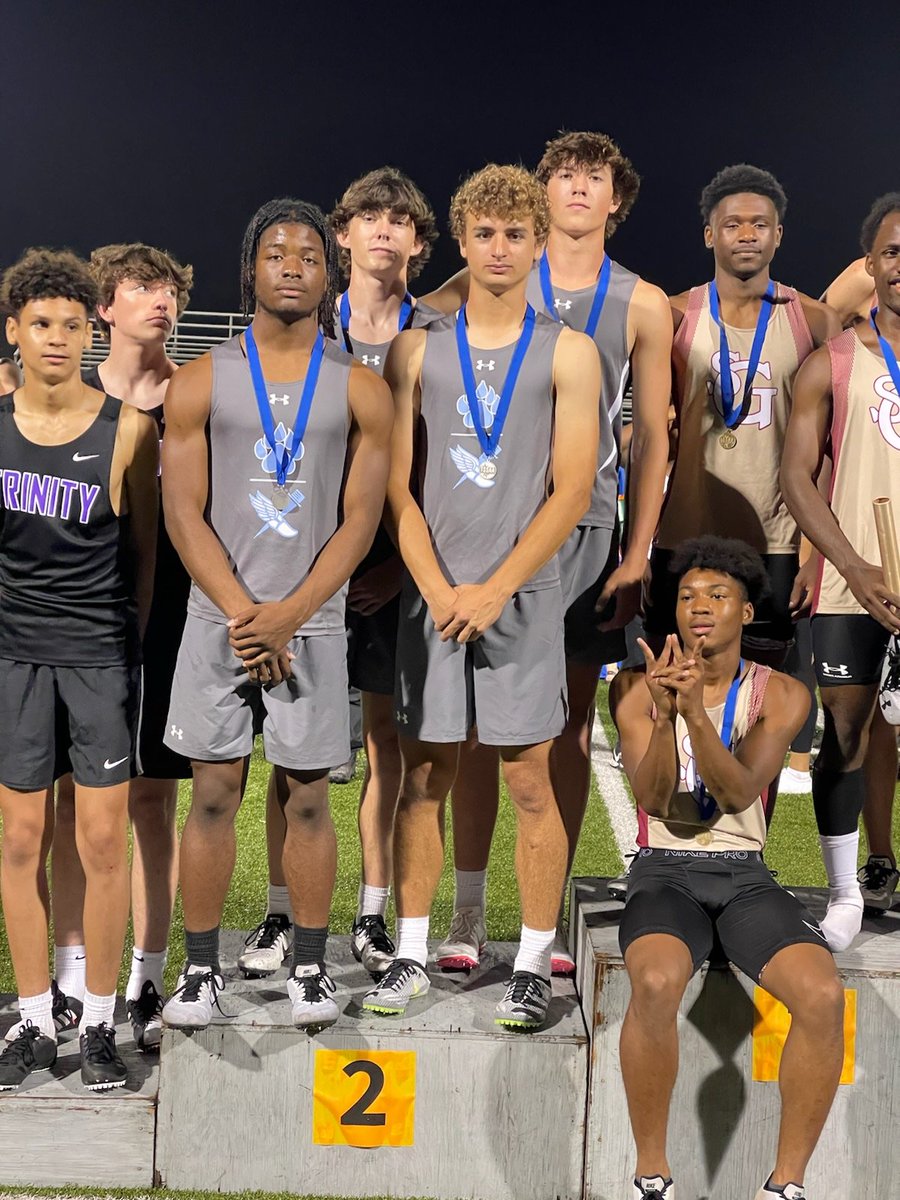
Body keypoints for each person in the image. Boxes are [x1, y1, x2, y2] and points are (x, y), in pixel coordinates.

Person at [427, 131, 673, 974]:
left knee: (562, 726)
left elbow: (653, 437)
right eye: (562, 174)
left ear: (616, 197)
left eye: (593, 176)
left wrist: (638, 549)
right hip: (485, 526)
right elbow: (412, 325)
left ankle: (548, 913)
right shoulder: (492, 269)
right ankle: (467, 913)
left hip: (585, 530)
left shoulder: (642, 301)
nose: (575, 188)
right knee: (472, 727)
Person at [363, 164, 600, 1029]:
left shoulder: (569, 351)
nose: (500, 248)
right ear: (461, 242)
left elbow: (573, 491)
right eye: (486, 234)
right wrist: (436, 588)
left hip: (521, 596)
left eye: (516, 234)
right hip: (434, 595)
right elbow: (395, 488)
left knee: (531, 777)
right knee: (423, 775)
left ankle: (531, 962)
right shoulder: (416, 349)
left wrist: (497, 589)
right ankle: (411, 953)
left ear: (539, 244)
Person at [159, 198, 392, 1033]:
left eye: (308, 255)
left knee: (307, 801)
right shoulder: (200, 377)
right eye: (275, 253)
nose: (292, 265)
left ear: (329, 275)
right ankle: (199, 973)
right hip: (217, 618)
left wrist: (289, 614)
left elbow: (359, 521)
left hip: (313, 624)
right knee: (213, 794)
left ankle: (310, 969)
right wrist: (244, 615)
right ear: (250, 270)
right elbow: (182, 511)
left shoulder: (361, 386)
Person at [241, 169, 439, 981]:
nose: (384, 229)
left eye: (400, 218)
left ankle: (370, 912)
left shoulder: (438, 330)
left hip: (389, 572)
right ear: (343, 234)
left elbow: (427, 467)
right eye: (368, 216)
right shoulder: (302, 320)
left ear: (418, 241)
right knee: (292, 751)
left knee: (387, 743)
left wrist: (397, 567)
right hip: (303, 570)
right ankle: (280, 913)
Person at [615, 536, 844, 1200]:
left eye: (718, 595)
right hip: (665, 871)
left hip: (745, 873)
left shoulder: (783, 693)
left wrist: (694, 715)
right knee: (655, 981)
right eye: (687, 596)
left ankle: (786, 1185)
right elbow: (655, 798)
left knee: (823, 996)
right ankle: (652, 1175)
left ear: (746, 613)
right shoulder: (633, 688)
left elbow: (740, 791)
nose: (699, 607)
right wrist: (666, 717)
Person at [0, 249, 158, 1090]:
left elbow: (145, 557)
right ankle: (34, 1017)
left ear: (89, 333)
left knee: (101, 842)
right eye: (40, 324)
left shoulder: (127, 429)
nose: (56, 338)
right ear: (14, 332)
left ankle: (99, 1022)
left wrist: (122, 646)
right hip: (13, 657)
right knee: (19, 840)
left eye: (70, 323)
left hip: (98, 658)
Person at [50, 242, 193, 1052]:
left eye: (168, 286)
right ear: (104, 307)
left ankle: (146, 974)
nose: (160, 298)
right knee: (78, 800)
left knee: (152, 801)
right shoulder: (75, 400)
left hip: (173, 613)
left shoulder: (194, 393)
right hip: (83, 614)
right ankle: (72, 974)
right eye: (140, 286)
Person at [647, 164, 841, 665]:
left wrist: (814, 553)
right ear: (709, 234)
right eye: (733, 224)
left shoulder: (815, 320)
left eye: (760, 224)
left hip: (778, 542)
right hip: (686, 533)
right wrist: (641, 547)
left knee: (763, 688)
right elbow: (651, 435)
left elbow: (830, 450)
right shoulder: (673, 314)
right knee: (675, 682)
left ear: (779, 235)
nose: (747, 234)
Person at [781, 192, 900, 949]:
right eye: (892, 252)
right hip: (853, 585)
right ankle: (849, 890)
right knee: (847, 734)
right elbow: (796, 477)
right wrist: (848, 565)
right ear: (870, 265)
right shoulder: (833, 362)